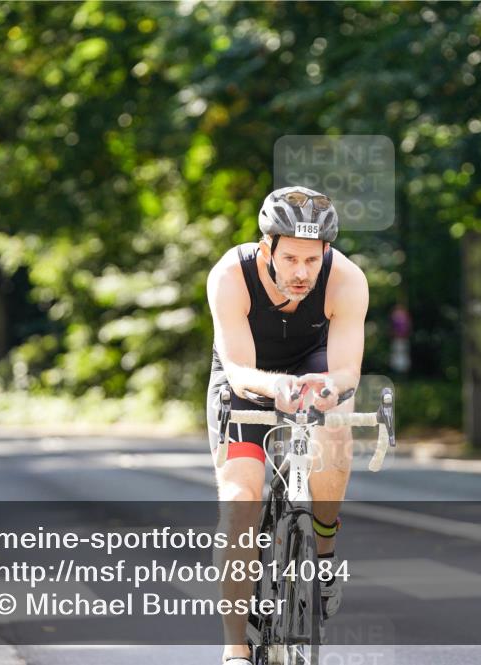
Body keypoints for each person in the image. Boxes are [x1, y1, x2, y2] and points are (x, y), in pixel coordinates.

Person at [206, 186, 369, 664]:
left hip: (314, 366)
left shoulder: (347, 280)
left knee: (335, 428)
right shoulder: (230, 277)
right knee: (240, 506)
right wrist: (274, 388)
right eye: (291, 258)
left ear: (327, 253)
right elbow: (236, 370)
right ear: (266, 248)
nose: (302, 273)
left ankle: (322, 555)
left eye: (312, 261)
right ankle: (235, 648)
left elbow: (347, 372)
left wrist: (325, 388)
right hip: (247, 377)